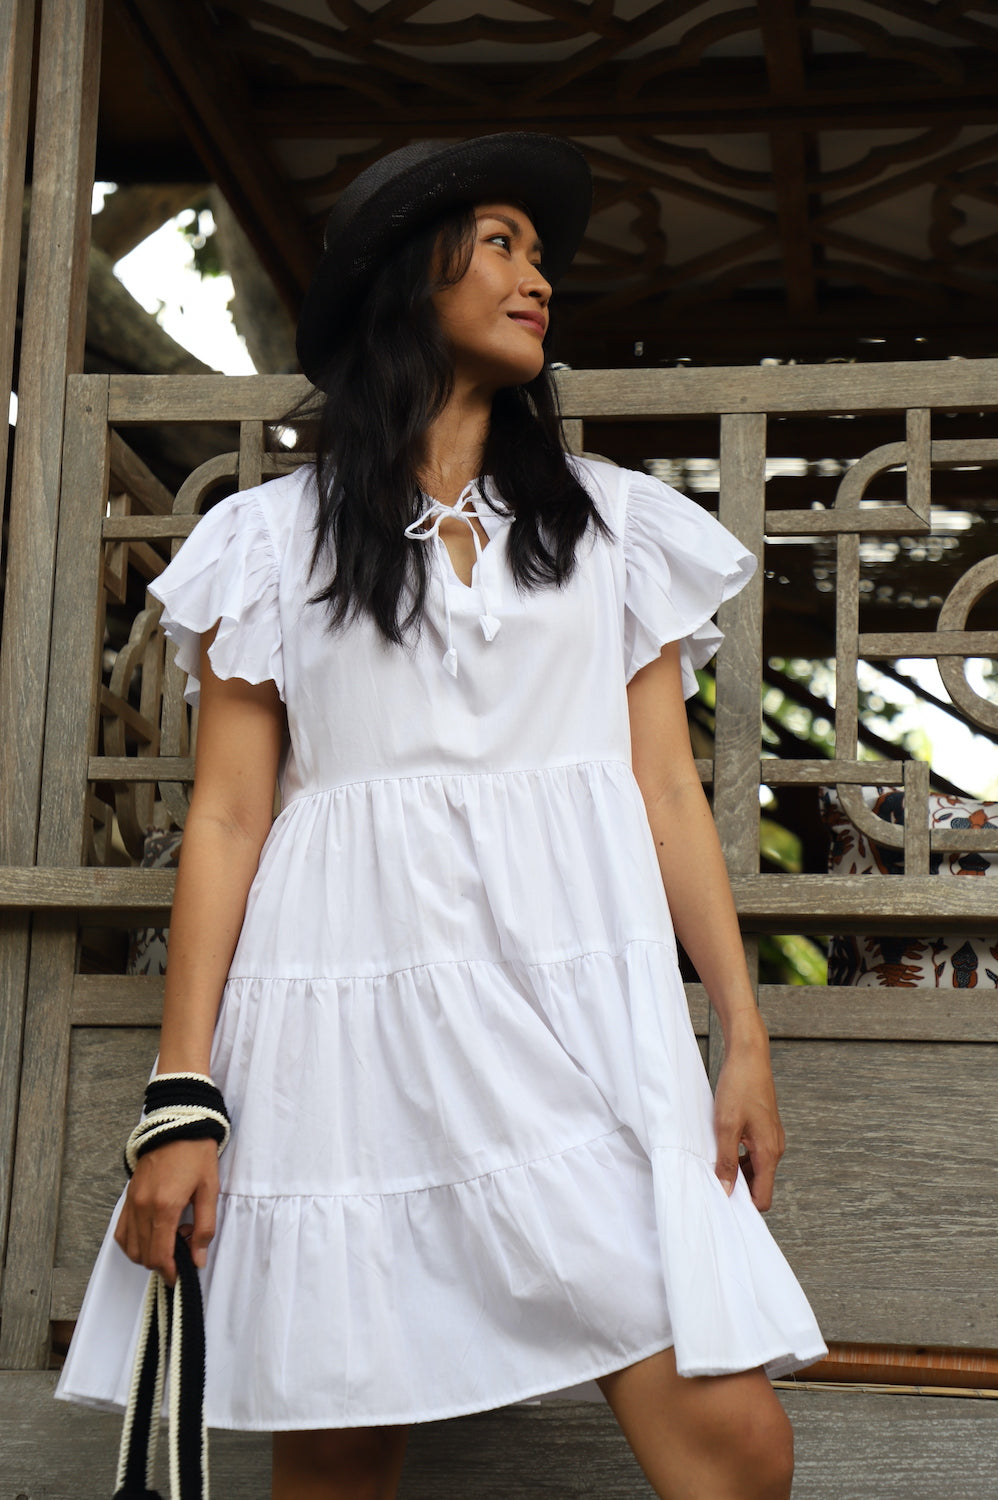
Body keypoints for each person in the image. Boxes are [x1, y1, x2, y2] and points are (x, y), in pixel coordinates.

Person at [57, 134, 825, 1499]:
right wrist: (181, 1098)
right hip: (346, 1022)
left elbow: (665, 791)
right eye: (502, 244)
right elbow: (226, 822)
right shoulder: (271, 542)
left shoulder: (611, 529)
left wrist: (742, 1032)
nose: (540, 278)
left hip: (569, 1020)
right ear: (411, 278)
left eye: (541, 254)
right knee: (344, 1448)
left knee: (736, 1444)